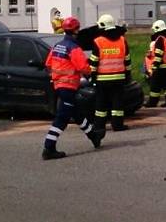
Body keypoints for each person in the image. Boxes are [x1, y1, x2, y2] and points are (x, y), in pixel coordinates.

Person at [41, 16, 100, 160]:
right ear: (75, 31)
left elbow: (48, 64)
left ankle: (93, 136)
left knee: (77, 113)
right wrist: (90, 72)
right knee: (62, 118)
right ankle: (49, 147)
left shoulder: (57, 46)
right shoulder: (74, 48)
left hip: (58, 85)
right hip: (69, 86)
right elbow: (83, 67)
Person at [89, 13, 132, 133]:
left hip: (102, 79)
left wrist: (92, 77)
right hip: (119, 77)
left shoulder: (98, 41)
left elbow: (94, 62)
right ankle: (118, 125)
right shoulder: (122, 40)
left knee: (101, 104)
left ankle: (99, 126)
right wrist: (128, 75)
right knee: (117, 103)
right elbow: (127, 59)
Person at [146, 19, 166, 107]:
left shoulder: (160, 39)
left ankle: (152, 102)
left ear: (157, 29)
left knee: (154, 85)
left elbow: (159, 54)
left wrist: (154, 67)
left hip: (161, 66)